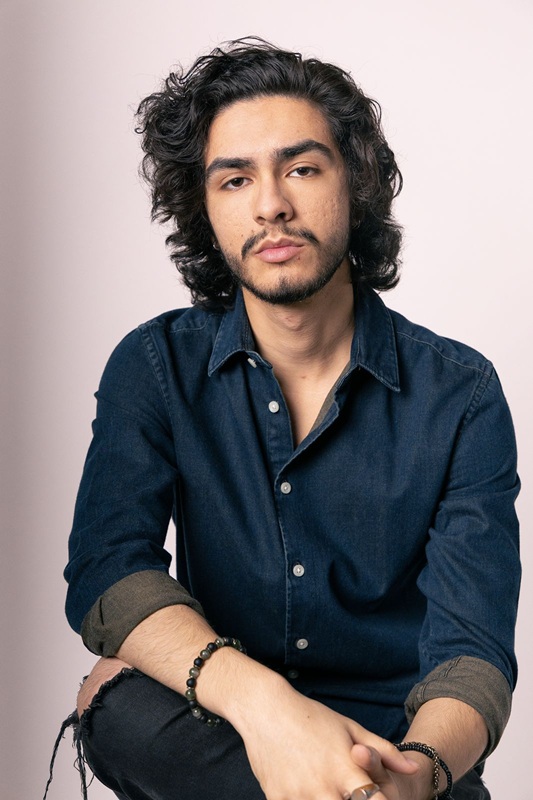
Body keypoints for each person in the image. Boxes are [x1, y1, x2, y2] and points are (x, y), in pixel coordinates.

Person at [49, 38, 520, 800]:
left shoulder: (460, 394)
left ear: (355, 183)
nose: (270, 204)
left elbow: (472, 655)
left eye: (301, 169)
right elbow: (108, 571)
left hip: (391, 748)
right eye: (235, 179)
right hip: (226, 724)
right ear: (204, 209)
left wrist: (413, 776)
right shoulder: (154, 366)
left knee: (108, 690)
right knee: (118, 703)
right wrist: (268, 710)